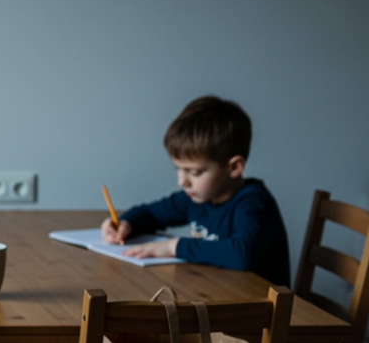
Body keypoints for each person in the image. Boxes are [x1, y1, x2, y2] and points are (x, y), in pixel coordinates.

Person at [100, 96, 290, 286]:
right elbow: (150, 213)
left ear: (234, 167)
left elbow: (241, 254)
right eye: (178, 169)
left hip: (264, 308)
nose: (182, 181)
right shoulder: (196, 198)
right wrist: (126, 225)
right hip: (219, 294)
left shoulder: (253, 203)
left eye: (194, 172)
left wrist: (174, 247)